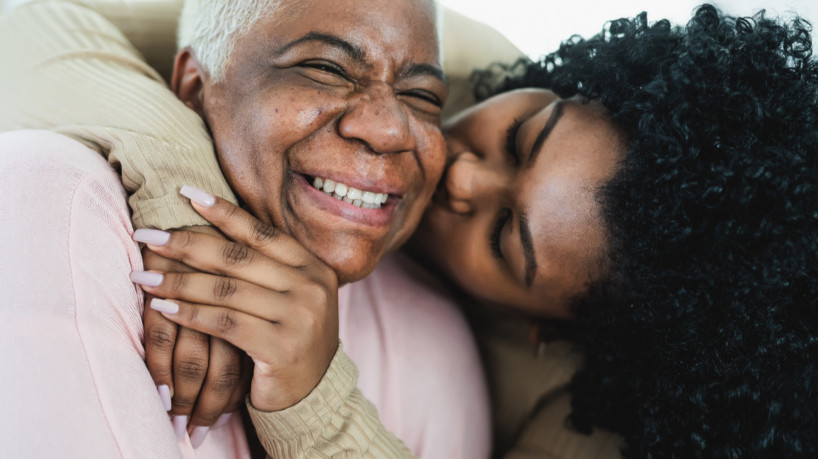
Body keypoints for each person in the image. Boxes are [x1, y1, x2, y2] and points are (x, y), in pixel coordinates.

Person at [5, 2, 817, 458]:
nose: (462, 170)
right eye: (520, 137)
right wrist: (186, 193)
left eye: (506, 235)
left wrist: (313, 393)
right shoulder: (437, 58)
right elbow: (36, 19)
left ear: (540, 326)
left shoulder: (570, 419)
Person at [0, 0, 495, 457]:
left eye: (422, 95)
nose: (389, 129)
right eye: (325, 69)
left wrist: (317, 410)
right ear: (194, 88)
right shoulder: (62, 207)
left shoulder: (433, 339)